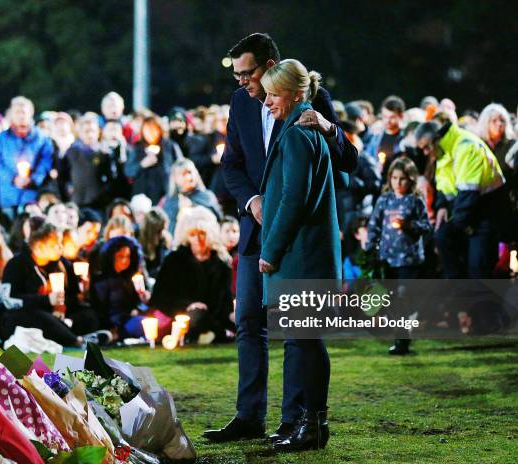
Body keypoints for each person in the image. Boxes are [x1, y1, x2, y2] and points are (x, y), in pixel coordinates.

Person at [206, 32, 357, 444]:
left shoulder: (310, 104)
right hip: (258, 226)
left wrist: (327, 127)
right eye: (236, 75)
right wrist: (252, 200)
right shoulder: (240, 103)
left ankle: (296, 420)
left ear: (271, 66)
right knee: (250, 321)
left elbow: (348, 159)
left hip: (294, 237)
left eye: (247, 73)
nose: (242, 82)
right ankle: (249, 415)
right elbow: (231, 165)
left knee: (296, 329)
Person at [255, 59, 340, 451]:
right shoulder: (305, 128)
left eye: (273, 94)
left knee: (306, 340)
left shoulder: (295, 135)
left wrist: (270, 250)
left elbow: (294, 199)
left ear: (293, 94)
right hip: (309, 253)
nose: (267, 101)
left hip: (299, 255)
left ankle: (312, 425)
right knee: (308, 340)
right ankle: (310, 424)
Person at [415, 121, 506, 278]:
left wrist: (457, 225)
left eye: (426, 147)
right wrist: (442, 205)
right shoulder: (445, 149)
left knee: (478, 269)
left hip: (486, 213)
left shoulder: (465, 147)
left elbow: (468, 193)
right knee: (442, 238)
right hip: (468, 213)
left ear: (436, 139)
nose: (424, 152)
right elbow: (444, 185)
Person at [366, 157, 432, 355]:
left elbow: (426, 226)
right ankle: (398, 333)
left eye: (402, 178)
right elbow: (374, 223)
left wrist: (408, 225)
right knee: (390, 299)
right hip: (387, 258)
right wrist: (370, 246)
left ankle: (402, 339)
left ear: (411, 179)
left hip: (408, 259)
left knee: (403, 297)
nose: (398, 183)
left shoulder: (415, 200)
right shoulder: (385, 199)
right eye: (394, 178)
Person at [1, 222, 101, 347]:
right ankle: (76, 340)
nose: (60, 247)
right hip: (27, 316)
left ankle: (69, 333)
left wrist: (82, 289)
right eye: (55, 244)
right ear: (38, 246)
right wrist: (47, 299)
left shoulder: (62, 264)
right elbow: (9, 300)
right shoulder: (16, 265)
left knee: (89, 314)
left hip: (58, 317)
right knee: (38, 317)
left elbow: (73, 295)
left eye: (60, 242)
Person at [150, 207, 234, 342]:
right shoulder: (174, 260)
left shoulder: (221, 263)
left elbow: (226, 302)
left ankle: (211, 333)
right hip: (181, 316)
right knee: (195, 316)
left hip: (215, 316)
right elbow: (159, 297)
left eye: (202, 233)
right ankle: (209, 333)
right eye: (193, 234)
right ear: (186, 236)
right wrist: (188, 305)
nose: (198, 239)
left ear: (210, 233)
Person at [0, 96, 53, 221]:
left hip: (32, 196)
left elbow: (46, 161)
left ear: (30, 114)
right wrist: (13, 178)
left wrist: (34, 179)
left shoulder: (42, 139)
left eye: (23, 112)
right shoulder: (0, 139)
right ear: (11, 114)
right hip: (9, 196)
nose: (21, 116)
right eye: (17, 112)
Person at [92, 235, 149, 339]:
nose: (124, 261)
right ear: (110, 256)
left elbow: (138, 303)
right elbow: (101, 309)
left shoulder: (132, 278)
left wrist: (141, 302)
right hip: (113, 322)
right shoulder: (100, 280)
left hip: (130, 319)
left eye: (128, 256)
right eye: (120, 256)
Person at [125, 115, 183, 204]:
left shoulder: (170, 146)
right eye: (147, 129)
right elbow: (128, 171)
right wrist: (142, 164)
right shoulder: (137, 147)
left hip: (166, 195)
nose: (150, 132)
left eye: (153, 128)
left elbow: (182, 166)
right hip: (142, 197)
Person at [162, 158, 221, 233]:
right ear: (175, 179)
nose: (188, 177)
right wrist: (180, 212)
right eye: (183, 174)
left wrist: (194, 208)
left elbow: (218, 222)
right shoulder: (171, 201)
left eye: (190, 172)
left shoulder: (207, 196)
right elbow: (168, 231)